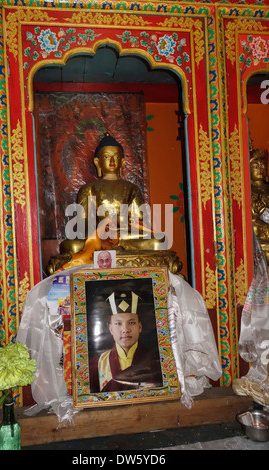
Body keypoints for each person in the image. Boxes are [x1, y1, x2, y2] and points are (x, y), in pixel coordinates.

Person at [47, 132, 166, 273]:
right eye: (106, 157)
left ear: (122, 162)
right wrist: (101, 232)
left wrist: (120, 230)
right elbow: (83, 222)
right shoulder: (89, 189)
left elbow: (139, 221)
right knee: (72, 246)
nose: (112, 161)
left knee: (158, 241)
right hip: (99, 237)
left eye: (116, 157)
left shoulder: (131, 188)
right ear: (97, 162)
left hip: (125, 235)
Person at [89, 290, 163, 393]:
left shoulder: (157, 360)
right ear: (111, 329)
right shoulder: (95, 364)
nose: (125, 330)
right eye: (118, 324)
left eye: (131, 322)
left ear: (140, 327)